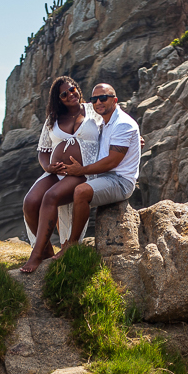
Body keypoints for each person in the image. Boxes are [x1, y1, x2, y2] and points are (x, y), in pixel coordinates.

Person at [19, 76, 101, 274]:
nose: (70, 95)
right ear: (59, 99)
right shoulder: (53, 118)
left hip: (83, 172)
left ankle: (36, 255)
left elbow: (117, 122)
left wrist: (134, 137)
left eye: (72, 89)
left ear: (77, 89)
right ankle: (46, 251)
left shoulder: (94, 110)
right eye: (64, 94)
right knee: (30, 202)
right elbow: (43, 150)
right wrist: (48, 167)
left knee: (51, 197)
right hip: (56, 173)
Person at [56, 82, 141, 258]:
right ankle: (61, 243)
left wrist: (81, 170)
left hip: (120, 181)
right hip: (101, 176)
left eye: (103, 98)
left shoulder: (123, 124)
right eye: (94, 99)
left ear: (115, 100)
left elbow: (112, 161)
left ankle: (72, 245)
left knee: (81, 192)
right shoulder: (103, 123)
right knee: (55, 194)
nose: (98, 102)